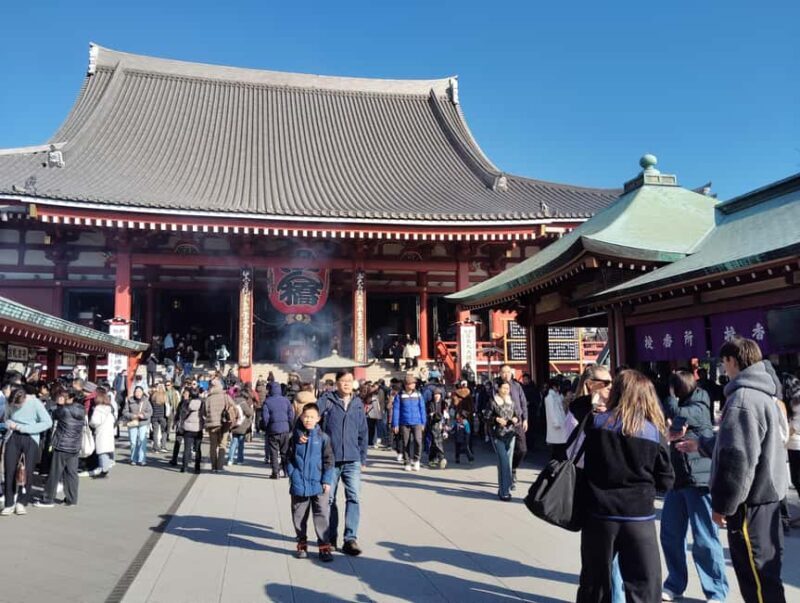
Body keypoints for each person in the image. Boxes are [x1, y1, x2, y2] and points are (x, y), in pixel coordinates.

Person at [676, 339, 788, 602]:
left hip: (750, 500)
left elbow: (736, 459)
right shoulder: (763, 393)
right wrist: (702, 445)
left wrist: (722, 505)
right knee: (768, 576)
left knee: (756, 579)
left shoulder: (742, 399)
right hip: (767, 496)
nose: (724, 369)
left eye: (724, 362)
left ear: (732, 361)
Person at [577, 370, 674, 603]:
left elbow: (578, 455)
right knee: (644, 586)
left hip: (600, 516)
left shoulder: (596, 423)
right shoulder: (653, 432)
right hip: (638, 518)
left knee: (594, 582)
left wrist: (592, 392)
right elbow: (666, 480)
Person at [660, 371, 728, 602]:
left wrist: (669, 396)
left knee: (704, 539)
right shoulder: (684, 402)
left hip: (699, 481)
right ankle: (675, 583)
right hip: (677, 479)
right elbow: (670, 425)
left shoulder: (699, 403)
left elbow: (675, 412)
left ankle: (716, 591)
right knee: (670, 535)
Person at [317, 369, 368, 556]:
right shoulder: (327, 400)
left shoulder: (357, 403)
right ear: (336, 383)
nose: (346, 384)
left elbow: (363, 431)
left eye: (349, 380)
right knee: (329, 499)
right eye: (343, 381)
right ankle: (330, 538)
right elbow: (311, 417)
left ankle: (350, 539)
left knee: (353, 497)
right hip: (331, 459)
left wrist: (363, 457)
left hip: (353, 459)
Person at [287, 403, 335, 562]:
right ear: (301, 417)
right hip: (299, 481)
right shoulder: (294, 436)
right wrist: (292, 473)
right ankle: (301, 543)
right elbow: (287, 456)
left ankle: (324, 546)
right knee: (299, 515)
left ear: (318, 419)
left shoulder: (323, 438)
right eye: (306, 416)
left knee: (321, 514)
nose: (308, 420)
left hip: (318, 482)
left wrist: (327, 480)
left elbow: (329, 460)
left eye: (312, 417)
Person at [2, 387, 53, 515]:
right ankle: (9, 503)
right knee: (9, 470)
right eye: (14, 405)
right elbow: (6, 418)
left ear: (24, 399)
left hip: (30, 437)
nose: (16, 407)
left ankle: (21, 501)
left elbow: (47, 422)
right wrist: (9, 423)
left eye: (18, 404)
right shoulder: (10, 402)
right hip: (13, 436)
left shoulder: (35, 403)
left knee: (28, 471)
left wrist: (23, 428)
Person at [35, 389, 84, 507]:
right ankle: (72, 499)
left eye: (64, 397)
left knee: (54, 473)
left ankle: (48, 499)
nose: (62, 399)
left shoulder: (63, 410)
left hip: (61, 445)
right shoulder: (82, 410)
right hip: (74, 446)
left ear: (70, 398)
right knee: (72, 473)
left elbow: (53, 414)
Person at [484, 381, 518, 501]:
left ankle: (504, 488)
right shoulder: (492, 402)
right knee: (504, 462)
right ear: (498, 389)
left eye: (508, 388)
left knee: (507, 463)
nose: (506, 390)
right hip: (498, 435)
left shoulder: (512, 402)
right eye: (503, 388)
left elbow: (517, 415)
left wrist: (515, 419)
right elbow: (486, 417)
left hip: (511, 434)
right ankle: (504, 492)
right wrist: (497, 419)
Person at [496, 365, 528, 489]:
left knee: (522, 449)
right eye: (503, 372)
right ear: (500, 373)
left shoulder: (517, 386)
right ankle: (506, 482)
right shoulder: (496, 387)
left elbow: (523, 403)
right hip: (503, 424)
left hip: (518, 422)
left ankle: (513, 468)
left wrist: (525, 419)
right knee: (505, 455)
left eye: (508, 372)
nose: (506, 374)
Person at [391, 373, 426, 472]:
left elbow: (422, 409)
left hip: (417, 422)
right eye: (411, 383)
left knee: (418, 441)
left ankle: (416, 460)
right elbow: (396, 410)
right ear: (406, 384)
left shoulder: (418, 394)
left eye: (414, 383)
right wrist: (395, 424)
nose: (413, 385)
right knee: (405, 443)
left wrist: (423, 422)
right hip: (404, 422)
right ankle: (407, 462)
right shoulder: (400, 396)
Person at [203, 377, 236, 472]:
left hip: (212, 425)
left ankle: (213, 467)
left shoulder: (208, 398)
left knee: (213, 446)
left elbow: (204, 412)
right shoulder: (225, 396)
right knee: (222, 445)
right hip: (224, 424)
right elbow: (234, 407)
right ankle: (220, 467)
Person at [263, 382, 295, 479]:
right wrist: (289, 425)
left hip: (273, 430)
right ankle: (286, 471)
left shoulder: (267, 402)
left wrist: (266, 427)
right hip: (285, 429)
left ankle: (275, 472)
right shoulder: (286, 401)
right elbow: (291, 415)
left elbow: (265, 418)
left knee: (273, 452)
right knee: (284, 452)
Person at [88, 388, 117, 477]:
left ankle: (104, 470)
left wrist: (90, 423)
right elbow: (113, 420)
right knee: (106, 451)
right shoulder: (109, 409)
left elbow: (95, 421)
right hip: (108, 432)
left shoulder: (98, 409)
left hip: (101, 432)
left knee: (102, 452)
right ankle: (106, 467)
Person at [784, 373, 800, 527]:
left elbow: (796, 425)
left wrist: (789, 430)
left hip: (796, 444)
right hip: (793, 445)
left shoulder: (796, 400)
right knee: (796, 479)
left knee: (797, 478)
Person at [123, 386, 152, 466]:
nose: (138, 393)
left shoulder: (146, 401)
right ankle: (133, 459)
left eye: (140, 391)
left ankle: (142, 459)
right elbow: (125, 412)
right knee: (133, 441)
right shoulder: (130, 400)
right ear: (134, 392)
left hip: (143, 422)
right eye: (136, 391)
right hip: (133, 422)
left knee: (142, 440)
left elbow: (150, 412)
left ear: (142, 392)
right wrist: (133, 416)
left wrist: (143, 415)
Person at [179, 388, 204, 473]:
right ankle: (197, 468)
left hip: (188, 428)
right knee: (198, 449)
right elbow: (204, 414)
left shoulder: (186, 403)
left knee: (187, 448)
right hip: (198, 428)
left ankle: (184, 467)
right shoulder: (202, 403)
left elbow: (182, 414)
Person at [545, 378, 568, 460]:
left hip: (560, 424)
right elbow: (551, 412)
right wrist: (556, 423)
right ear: (554, 386)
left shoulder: (557, 396)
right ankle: (554, 467)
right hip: (556, 425)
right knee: (557, 448)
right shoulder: (549, 397)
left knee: (560, 447)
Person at [228, 392, 253, 465]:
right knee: (240, 444)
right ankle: (239, 460)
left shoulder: (233, 401)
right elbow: (250, 413)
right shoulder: (243, 403)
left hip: (234, 425)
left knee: (233, 443)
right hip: (242, 426)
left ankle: (230, 459)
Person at [150, 383, 169, 453]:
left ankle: (155, 447)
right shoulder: (165, 396)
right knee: (164, 431)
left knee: (155, 432)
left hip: (154, 416)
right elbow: (167, 406)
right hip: (163, 416)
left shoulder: (153, 396)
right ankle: (163, 446)